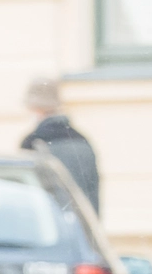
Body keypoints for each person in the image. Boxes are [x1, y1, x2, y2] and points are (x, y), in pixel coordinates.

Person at [21, 77, 101, 212]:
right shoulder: (82, 141)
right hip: (79, 228)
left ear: (36, 108)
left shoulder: (34, 142)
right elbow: (92, 195)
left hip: (51, 226)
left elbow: (28, 198)